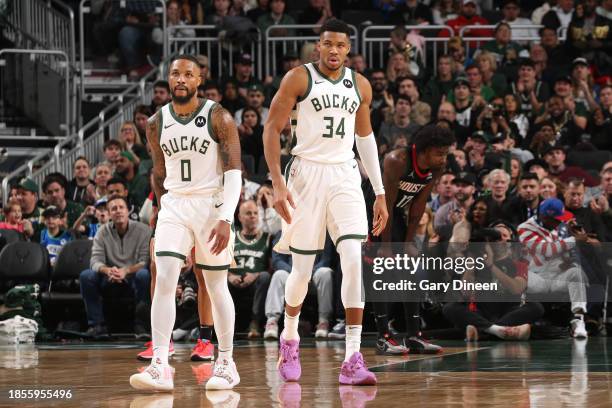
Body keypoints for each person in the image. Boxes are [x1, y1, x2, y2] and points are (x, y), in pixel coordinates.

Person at [263, 19, 388, 385]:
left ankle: (352, 357)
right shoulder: (298, 79)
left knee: (352, 258)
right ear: (318, 46)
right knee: (301, 270)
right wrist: (277, 182)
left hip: (345, 175)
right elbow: (271, 128)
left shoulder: (359, 85)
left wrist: (379, 192)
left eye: (340, 45)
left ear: (349, 49)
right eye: (327, 44)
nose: (333, 50)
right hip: (305, 175)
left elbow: (365, 139)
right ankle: (289, 337)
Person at [129, 54, 242, 391]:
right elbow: (159, 174)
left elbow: (235, 171)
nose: (180, 79)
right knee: (163, 277)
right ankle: (160, 364)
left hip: (211, 204)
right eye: (175, 73)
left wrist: (225, 217)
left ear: (199, 80)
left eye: (187, 74)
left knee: (216, 284)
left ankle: (226, 362)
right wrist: (161, 218)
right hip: (175, 205)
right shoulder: (155, 123)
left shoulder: (218, 116)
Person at [376, 125, 454, 353]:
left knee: (410, 269)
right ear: (423, 151)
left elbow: (418, 205)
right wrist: (386, 246)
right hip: (371, 210)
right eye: (440, 153)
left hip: (396, 214)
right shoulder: (396, 160)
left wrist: (408, 242)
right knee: (381, 269)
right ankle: (383, 337)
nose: (444, 158)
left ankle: (413, 336)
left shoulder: (436, 167)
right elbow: (385, 204)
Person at [80, 195, 151, 339]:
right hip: (110, 276)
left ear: (128, 211)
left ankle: (141, 324)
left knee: (144, 275)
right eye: (114, 209)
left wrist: (126, 271)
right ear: (109, 213)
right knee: (86, 275)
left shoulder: (144, 230)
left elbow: (145, 261)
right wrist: (108, 270)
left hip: (133, 275)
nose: (118, 211)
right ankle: (97, 325)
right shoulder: (102, 231)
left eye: (121, 207)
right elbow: (95, 261)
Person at [518, 198, 588, 339]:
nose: (560, 222)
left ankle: (578, 320)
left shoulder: (552, 227)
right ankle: (520, 317)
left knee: (576, 272)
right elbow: (547, 250)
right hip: (534, 278)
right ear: (544, 217)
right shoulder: (525, 228)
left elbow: (556, 255)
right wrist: (575, 240)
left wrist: (567, 261)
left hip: (552, 277)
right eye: (557, 219)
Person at [264, 233, 334, 339]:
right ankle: (272, 322)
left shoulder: (322, 232)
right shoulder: (285, 230)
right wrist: (295, 275)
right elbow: (277, 260)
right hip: (291, 275)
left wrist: (308, 275)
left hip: (313, 277)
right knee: (278, 275)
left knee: (325, 273)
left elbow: (326, 259)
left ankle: (323, 321)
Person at [228, 200, 272, 339]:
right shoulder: (231, 237)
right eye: (248, 213)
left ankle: (255, 323)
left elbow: (272, 268)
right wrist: (229, 276)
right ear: (240, 217)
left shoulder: (267, 238)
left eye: (255, 213)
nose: (253, 216)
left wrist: (255, 275)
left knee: (265, 277)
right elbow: (220, 263)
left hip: (256, 285)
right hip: (233, 283)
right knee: (218, 279)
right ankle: (226, 326)